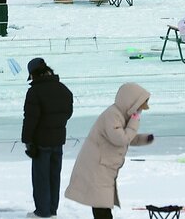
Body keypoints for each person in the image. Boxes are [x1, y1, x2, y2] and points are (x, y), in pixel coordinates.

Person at [64, 83, 155, 219]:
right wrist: (135, 121)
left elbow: (126, 136)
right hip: (97, 167)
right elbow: (121, 139)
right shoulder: (112, 115)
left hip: (104, 167)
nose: (139, 112)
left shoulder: (121, 115)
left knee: (102, 204)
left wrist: (143, 139)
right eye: (139, 107)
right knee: (101, 205)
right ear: (130, 102)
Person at [23, 58, 74, 219]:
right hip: (58, 140)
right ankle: (52, 210)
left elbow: (30, 119)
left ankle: (42, 212)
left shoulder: (34, 92)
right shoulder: (63, 89)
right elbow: (68, 113)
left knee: (41, 178)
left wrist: (27, 140)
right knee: (54, 176)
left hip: (40, 142)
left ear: (33, 74)